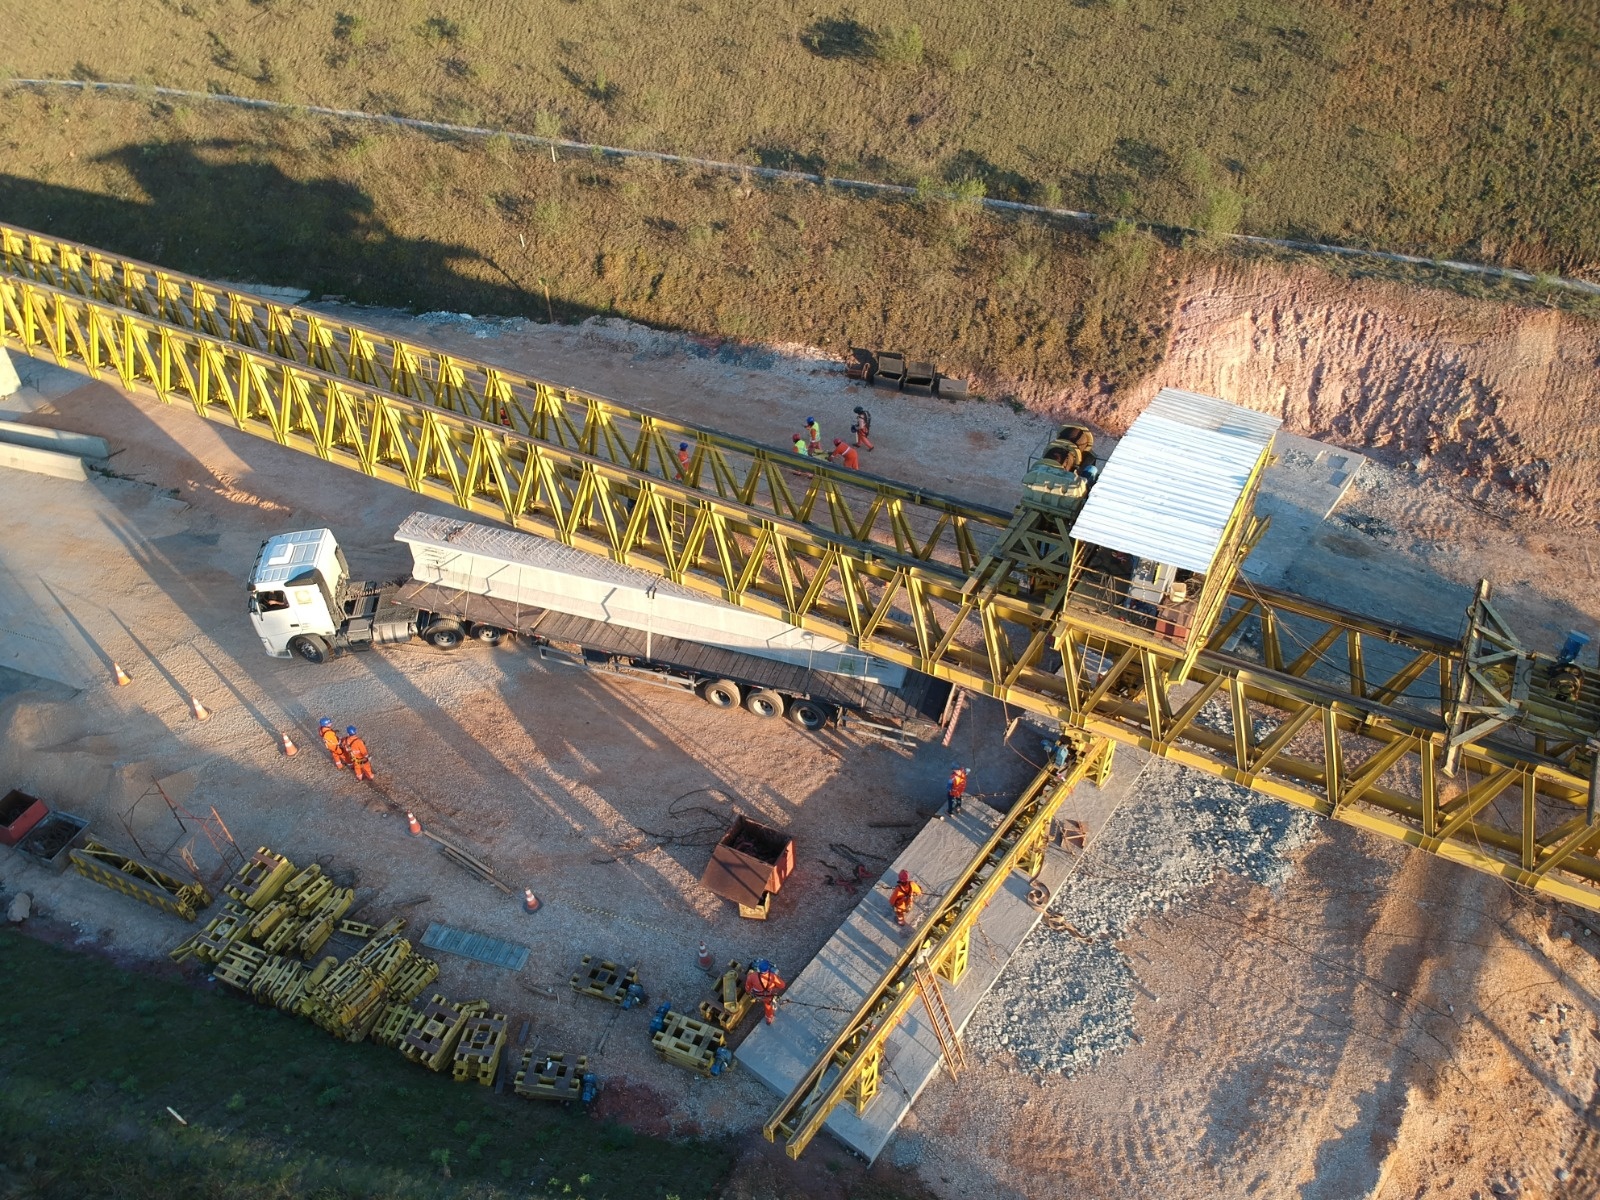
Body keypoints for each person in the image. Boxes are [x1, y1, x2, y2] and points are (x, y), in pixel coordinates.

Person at [744, 959, 787, 1024]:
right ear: (768, 969)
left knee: (766, 1003)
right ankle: (769, 1019)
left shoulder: (752, 976)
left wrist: (748, 992)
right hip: (769, 996)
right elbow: (782, 985)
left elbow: (748, 987)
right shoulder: (773, 976)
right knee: (768, 1006)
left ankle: (769, 1016)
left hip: (758, 995)